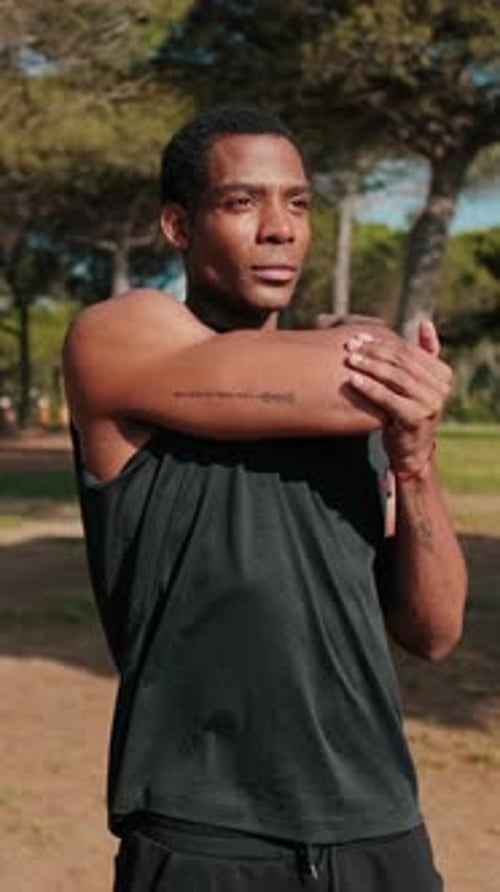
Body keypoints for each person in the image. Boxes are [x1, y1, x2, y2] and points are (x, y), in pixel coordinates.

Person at [63, 105, 467, 892]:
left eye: (299, 203)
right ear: (179, 226)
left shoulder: (352, 405)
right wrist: (379, 346)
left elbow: (435, 630)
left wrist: (414, 462)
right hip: (204, 831)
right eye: (242, 202)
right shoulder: (120, 337)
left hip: (379, 823)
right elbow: (361, 367)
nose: (280, 228)